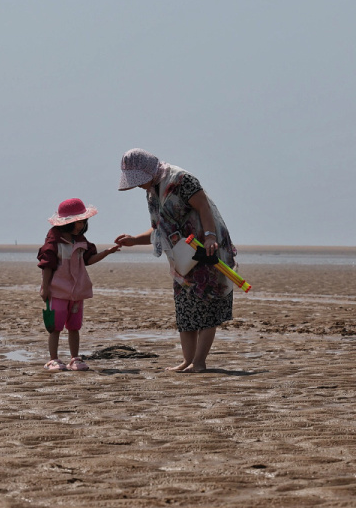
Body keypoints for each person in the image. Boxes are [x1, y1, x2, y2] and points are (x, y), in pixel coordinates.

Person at [115, 148, 238, 372]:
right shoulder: (153, 191)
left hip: (206, 251)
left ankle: (199, 362)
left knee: (208, 305)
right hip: (183, 258)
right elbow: (160, 229)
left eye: (139, 180)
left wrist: (210, 237)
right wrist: (134, 240)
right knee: (186, 309)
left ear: (148, 169)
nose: (139, 185)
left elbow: (203, 206)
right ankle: (187, 360)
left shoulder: (181, 179)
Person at [38, 198, 120, 371]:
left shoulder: (81, 241)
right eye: (79, 222)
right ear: (68, 223)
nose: (82, 226)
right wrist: (45, 288)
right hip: (58, 291)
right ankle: (53, 359)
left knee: (74, 326)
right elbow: (47, 266)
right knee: (55, 327)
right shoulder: (54, 243)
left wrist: (107, 252)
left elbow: (88, 260)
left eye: (84, 222)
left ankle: (74, 358)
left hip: (77, 292)